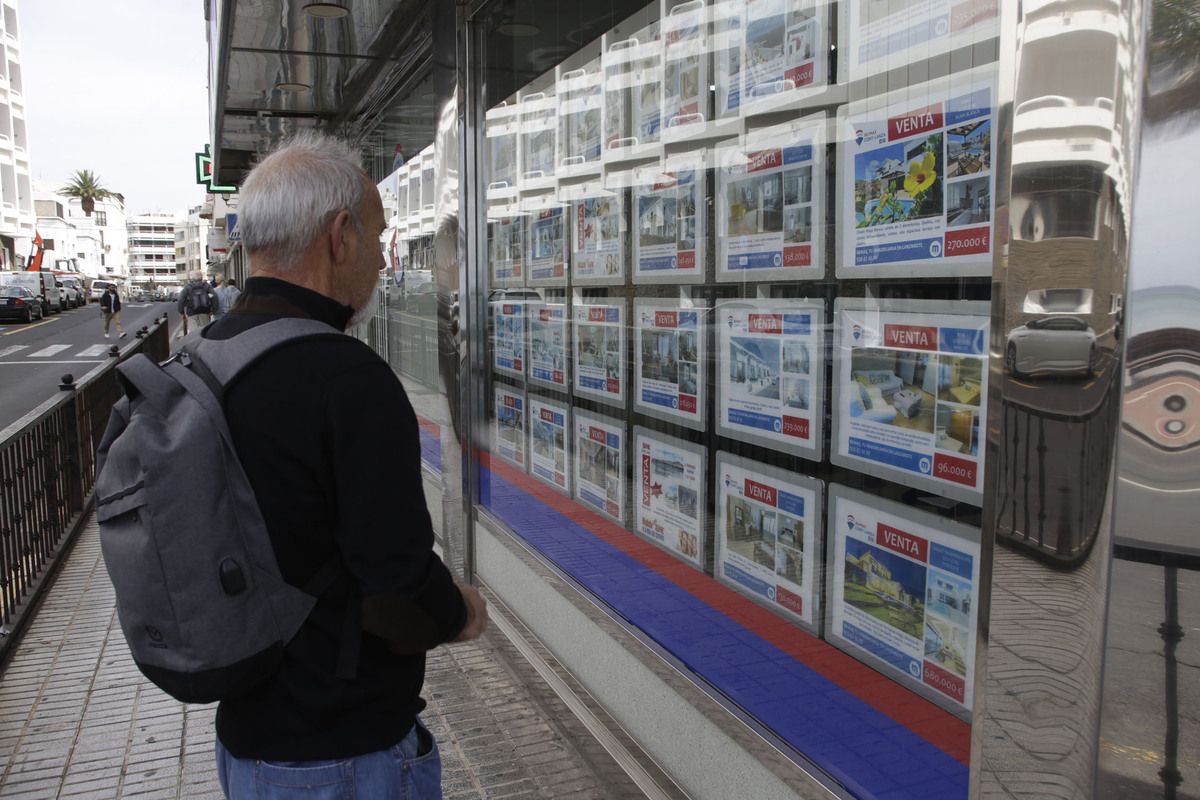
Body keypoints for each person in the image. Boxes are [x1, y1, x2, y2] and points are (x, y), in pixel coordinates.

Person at [204, 132, 487, 799]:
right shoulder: (346, 378)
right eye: (380, 235)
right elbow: (395, 594)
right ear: (341, 236)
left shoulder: (211, 354)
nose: (385, 261)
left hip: (247, 744)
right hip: (344, 758)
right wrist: (460, 612)